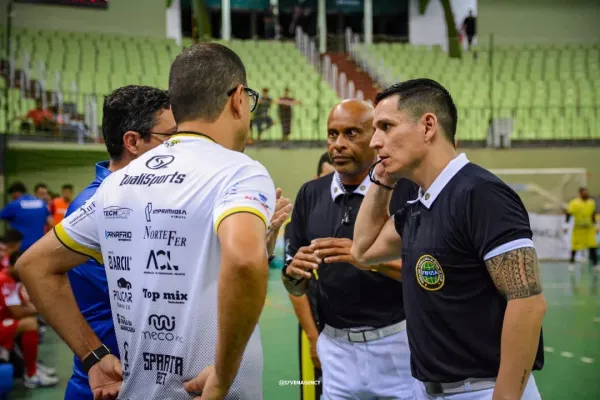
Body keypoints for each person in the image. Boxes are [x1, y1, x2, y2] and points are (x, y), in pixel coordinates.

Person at [18, 43, 292, 399]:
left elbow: (33, 264)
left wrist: (93, 356)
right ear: (238, 99)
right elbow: (242, 261)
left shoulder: (118, 182)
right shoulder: (239, 171)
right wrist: (224, 376)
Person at [351, 79, 546, 400]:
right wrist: (382, 179)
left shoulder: (481, 193)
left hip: (483, 390)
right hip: (429, 390)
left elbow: (528, 303)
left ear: (428, 126)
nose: (374, 141)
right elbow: (362, 251)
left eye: (386, 126)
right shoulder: (418, 204)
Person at [282, 99, 418, 400]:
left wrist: (366, 258)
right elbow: (293, 284)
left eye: (351, 133)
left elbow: (426, 274)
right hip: (336, 349)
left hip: (396, 345)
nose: (339, 144)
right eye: (333, 134)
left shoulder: (405, 192)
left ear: (375, 138)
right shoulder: (310, 194)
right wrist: (293, 274)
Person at [63, 85, 177, 399]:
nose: (179, 150)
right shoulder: (101, 205)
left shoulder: (140, 198)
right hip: (110, 382)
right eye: (170, 139)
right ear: (133, 142)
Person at [285, 152, 334, 400]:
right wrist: (313, 338)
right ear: (317, 178)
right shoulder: (302, 219)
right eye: (329, 177)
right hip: (313, 329)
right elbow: (294, 284)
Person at [0, 251, 58, 388]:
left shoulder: (12, 279)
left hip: (5, 321)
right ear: (14, 265)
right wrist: (43, 308)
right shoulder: (4, 280)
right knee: (29, 324)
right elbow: (17, 311)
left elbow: (23, 304)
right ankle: (31, 375)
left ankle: (32, 366)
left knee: (30, 321)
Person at [0, 182, 54, 252]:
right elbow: (51, 224)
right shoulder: (41, 204)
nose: (12, 198)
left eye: (12, 196)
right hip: (38, 247)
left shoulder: (14, 204)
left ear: (16, 193)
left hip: (20, 248)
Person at [565, 187, 598, 271]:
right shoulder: (574, 203)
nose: (586, 194)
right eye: (584, 192)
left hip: (589, 229)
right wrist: (565, 225)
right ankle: (571, 264)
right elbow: (568, 213)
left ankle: (595, 264)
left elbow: (593, 214)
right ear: (580, 193)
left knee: (592, 246)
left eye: (586, 192)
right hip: (578, 229)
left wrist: (596, 225)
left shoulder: (591, 202)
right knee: (575, 247)